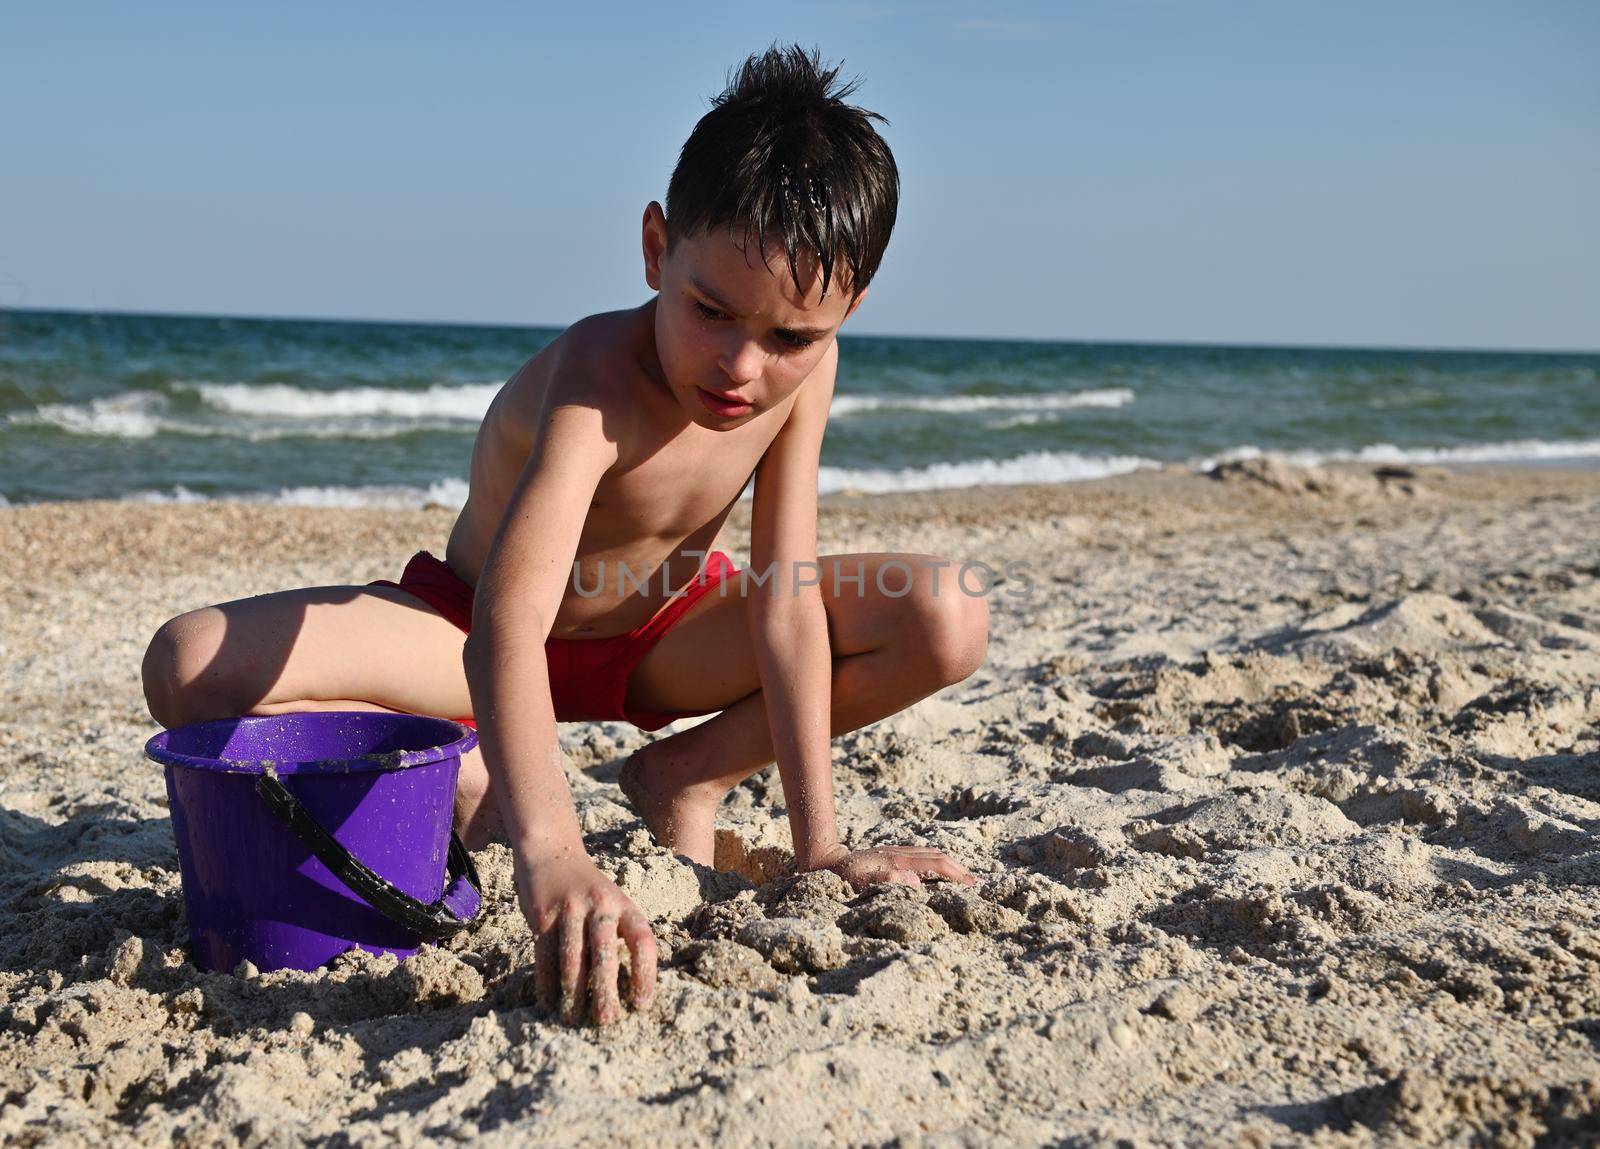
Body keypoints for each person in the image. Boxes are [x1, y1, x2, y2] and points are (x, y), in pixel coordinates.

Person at [141, 43, 988, 1028]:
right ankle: (467, 771)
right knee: (189, 659)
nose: (740, 366)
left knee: (943, 614)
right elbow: (507, 618)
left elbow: (786, 598)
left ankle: (681, 774)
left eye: (791, 338)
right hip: (468, 639)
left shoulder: (804, 373)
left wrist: (821, 848)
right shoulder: (597, 377)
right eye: (709, 310)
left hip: (659, 642)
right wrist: (552, 846)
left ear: (845, 311)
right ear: (653, 248)